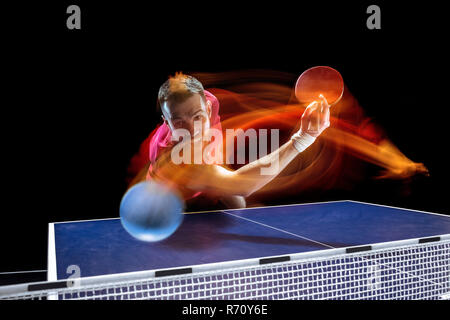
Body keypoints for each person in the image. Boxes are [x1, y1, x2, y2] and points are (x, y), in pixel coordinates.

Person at [127, 72, 330, 210]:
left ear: (207, 108)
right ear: (166, 122)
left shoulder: (204, 102)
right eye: (179, 122)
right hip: (167, 202)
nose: (192, 130)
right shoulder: (178, 162)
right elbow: (242, 185)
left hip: (204, 170)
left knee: (239, 206)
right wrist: (303, 138)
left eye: (197, 116)